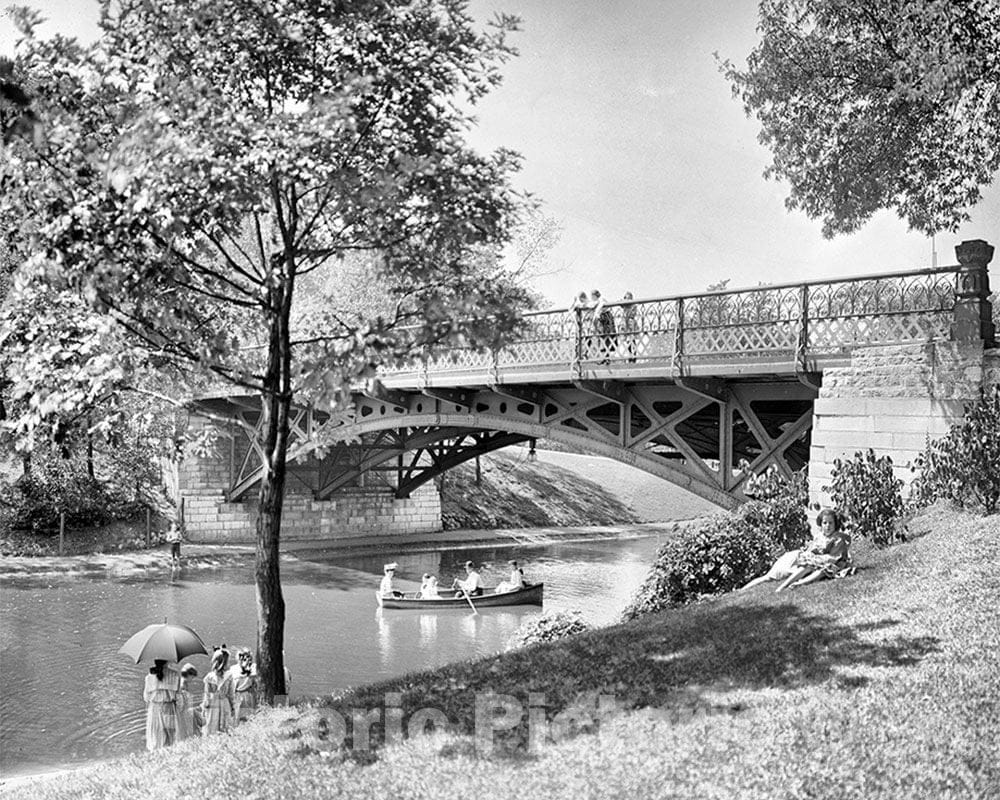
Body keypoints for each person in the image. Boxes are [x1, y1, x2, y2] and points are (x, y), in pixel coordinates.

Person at [776, 509, 853, 593]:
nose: (828, 526)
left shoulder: (838, 539)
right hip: (818, 560)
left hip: (834, 562)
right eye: (825, 523)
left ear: (835, 524)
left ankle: (800, 583)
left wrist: (818, 559)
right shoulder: (819, 537)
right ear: (821, 524)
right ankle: (784, 585)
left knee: (823, 570)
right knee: (806, 566)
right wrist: (811, 555)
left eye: (831, 523)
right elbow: (812, 550)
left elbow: (834, 557)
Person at [143, 658, 180, 751]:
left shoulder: (149, 677)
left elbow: (146, 698)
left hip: (155, 708)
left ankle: (156, 753)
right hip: (169, 707)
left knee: (155, 734)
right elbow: (178, 696)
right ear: (167, 661)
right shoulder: (175, 675)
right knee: (170, 735)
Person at [201, 648, 235, 736]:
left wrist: (204, 708)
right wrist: (233, 706)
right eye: (228, 662)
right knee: (224, 725)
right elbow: (231, 694)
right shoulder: (229, 676)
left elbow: (206, 694)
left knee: (211, 724)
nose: (229, 664)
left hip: (212, 704)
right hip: (224, 702)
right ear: (224, 663)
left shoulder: (209, 676)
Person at [230, 648, 258, 725]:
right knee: (248, 717)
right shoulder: (254, 668)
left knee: (238, 716)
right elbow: (255, 684)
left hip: (238, 695)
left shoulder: (233, 669)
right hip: (248, 694)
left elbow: (232, 686)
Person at [175, 663, 201, 741]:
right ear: (188, 675)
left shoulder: (184, 683)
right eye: (192, 677)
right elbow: (181, 700)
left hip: (185, 710)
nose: (192, 679)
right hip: (183, 711)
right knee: (184, 729)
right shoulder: (182, 685)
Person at [591, 289, 616, 363]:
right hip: (602, 320)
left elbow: (601, 306)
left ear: (594, 295)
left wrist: (597, 312)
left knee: (606, 338)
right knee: (602, 338)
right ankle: (604, 357)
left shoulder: (601, 299)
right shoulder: (597, 301)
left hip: (605, 319)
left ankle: (606, 358)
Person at [621, 291, 639, 361]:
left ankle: (634, 355)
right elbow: (620, 303)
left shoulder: (633, 305)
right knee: (628, 340)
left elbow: (633, 314)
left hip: (631, 323)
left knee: (632, 339)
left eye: (628, 297)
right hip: (625, 323)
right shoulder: (624, 305)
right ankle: (630, 354)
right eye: (626, 297)